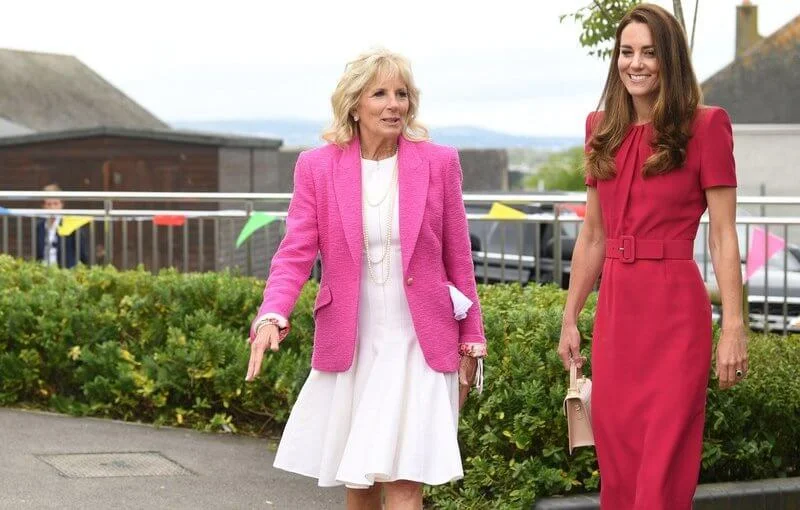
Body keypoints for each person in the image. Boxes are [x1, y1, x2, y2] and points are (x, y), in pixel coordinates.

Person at [245, 48, 486, 510]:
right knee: (360, 481)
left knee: (405, 481)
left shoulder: (439, 163)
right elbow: (295, 253)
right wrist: (272, 315)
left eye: (402, 94)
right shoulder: (317, 167)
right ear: (355, 104)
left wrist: (472, 340)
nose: (394, 104)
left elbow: (459, 257)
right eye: (380, 94)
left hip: (422, 337)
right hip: (354, 341)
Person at [557, 4, 748, 509]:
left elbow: (723, 237)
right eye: (626, 52)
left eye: (649, 52)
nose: (635, 63)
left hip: (675, 314)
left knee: (661, 474)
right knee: (619, 473)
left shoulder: (707, 126)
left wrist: (733, 325)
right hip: (618, 313)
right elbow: (593, 235)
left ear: (670, 60)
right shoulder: (600, 127)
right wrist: (571, 317)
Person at [35, 183, 89, 268]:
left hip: (65, 272)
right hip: (44, 270)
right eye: (49, 204)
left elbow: (82, 253)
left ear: (61, 204)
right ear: (43, 206)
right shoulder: (40, 226)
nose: (52, 208)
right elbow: (38, 254)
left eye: (55, 204)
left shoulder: (71, 225)